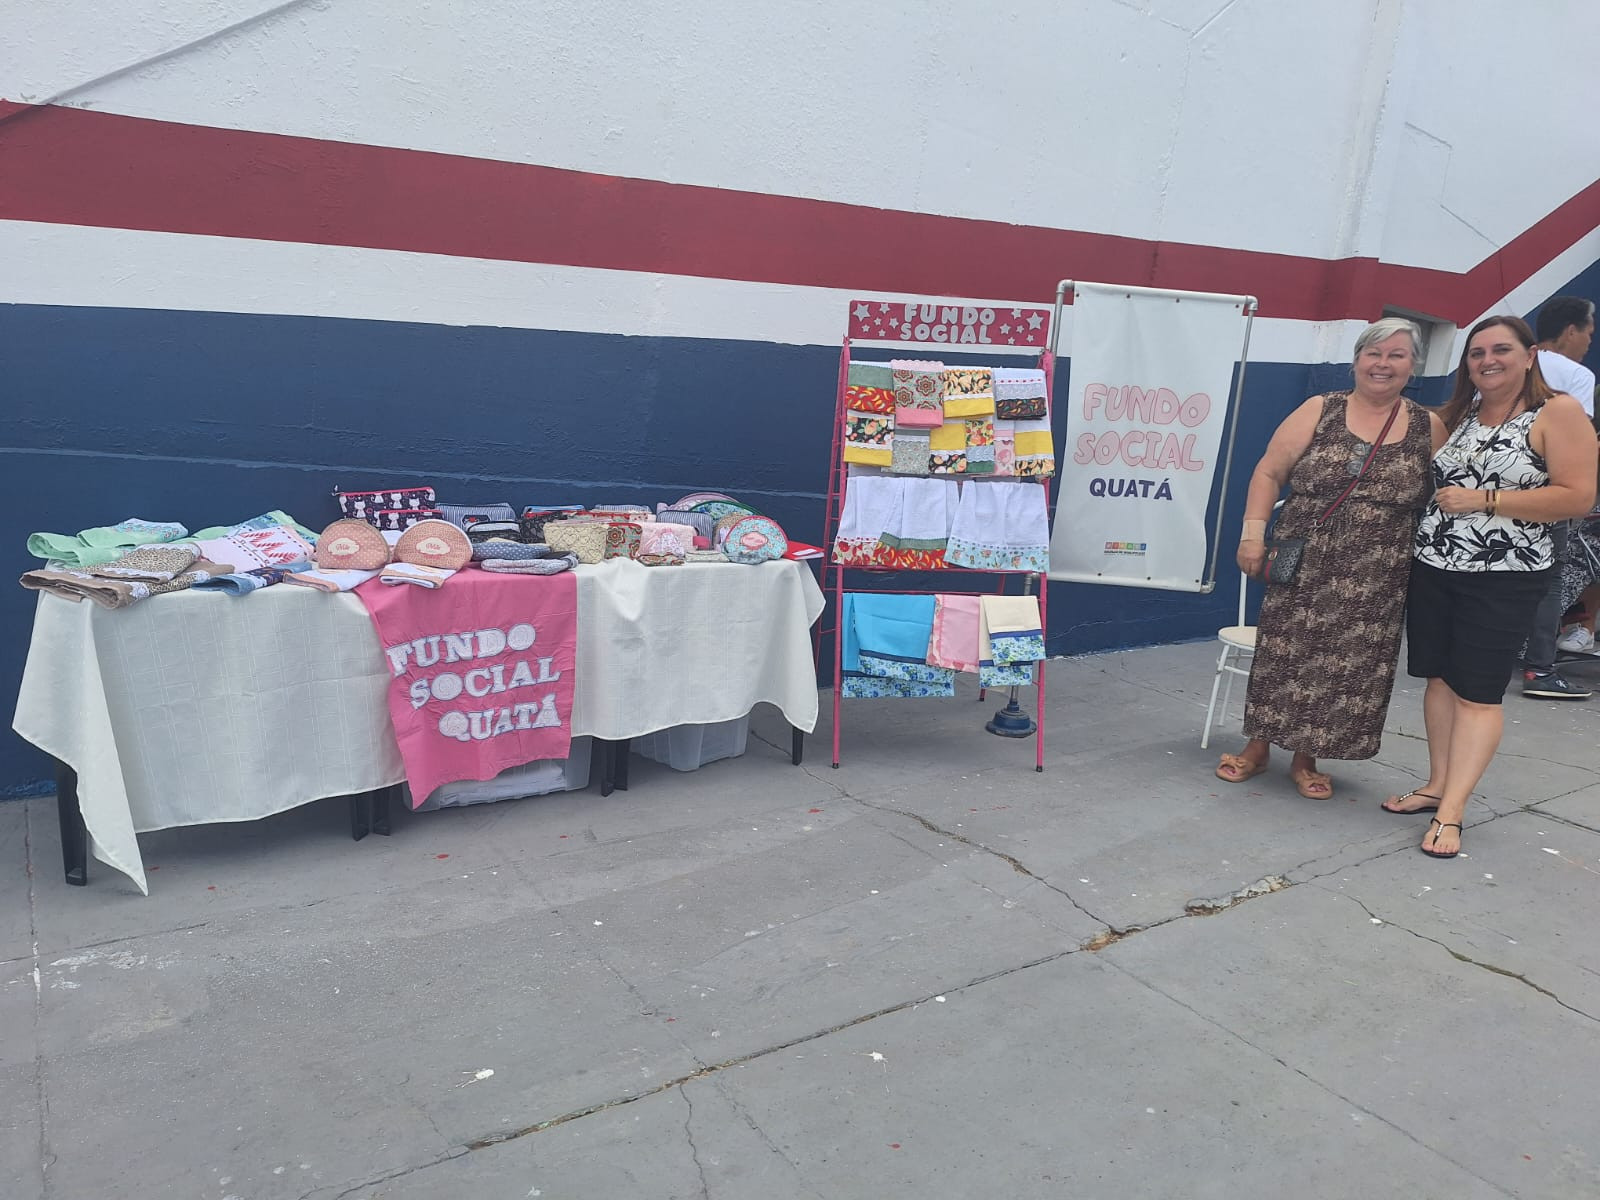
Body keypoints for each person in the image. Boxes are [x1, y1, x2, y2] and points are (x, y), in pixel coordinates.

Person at [1384, 315, 1598, 858]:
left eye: (1501, 349)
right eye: (1476, 353)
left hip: (1506, 576)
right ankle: (1436, 785)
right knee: (1437, 678)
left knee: (1477, 692)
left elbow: (1577, 497)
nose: (1487, 360)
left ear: (1530, 356)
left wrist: (1487, 500)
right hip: (1435, 565)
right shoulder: (1462, 415)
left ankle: (1452, 812)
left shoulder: (1558, 413)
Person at [1217, 318, 1445, 799]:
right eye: (1373, 354)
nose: (1383, 364)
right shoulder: (1320, 409)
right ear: (1357, 360)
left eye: (1397, 355)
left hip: (1380, 573)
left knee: (1346, 666)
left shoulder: (1429, 426)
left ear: (1413, 366)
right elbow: (1267, 473)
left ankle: (1307, 757)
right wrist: (1252, 537)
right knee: (1283, 653)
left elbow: (1445, 498)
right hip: (1305, 558)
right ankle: (1258, 747)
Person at [1520, 296, 1597, 698]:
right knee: (1548, 576)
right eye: (1588, 330)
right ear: (1571, 330)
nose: (1588, 340)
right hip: (1547, 491)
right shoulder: (1577, 376)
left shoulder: (1515, 363)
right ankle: (1540, 669)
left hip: (1494, 484)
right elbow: (1577, 440)